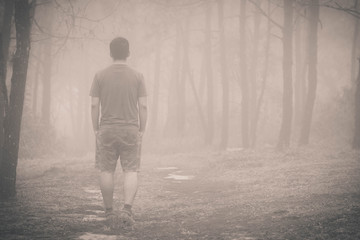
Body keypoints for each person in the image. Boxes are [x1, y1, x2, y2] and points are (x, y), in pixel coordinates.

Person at [89, 37, 147, 229]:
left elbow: (94, 104)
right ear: (128, 53)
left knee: (106, 170)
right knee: (130, 170)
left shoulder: (100, 75)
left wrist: (96, 128)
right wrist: (142, 129)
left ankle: (108, 212)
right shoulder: (138, 76)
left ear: (110, 53)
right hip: (130, 129)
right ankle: (127, 210)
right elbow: (143, 106)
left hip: (107, 128)